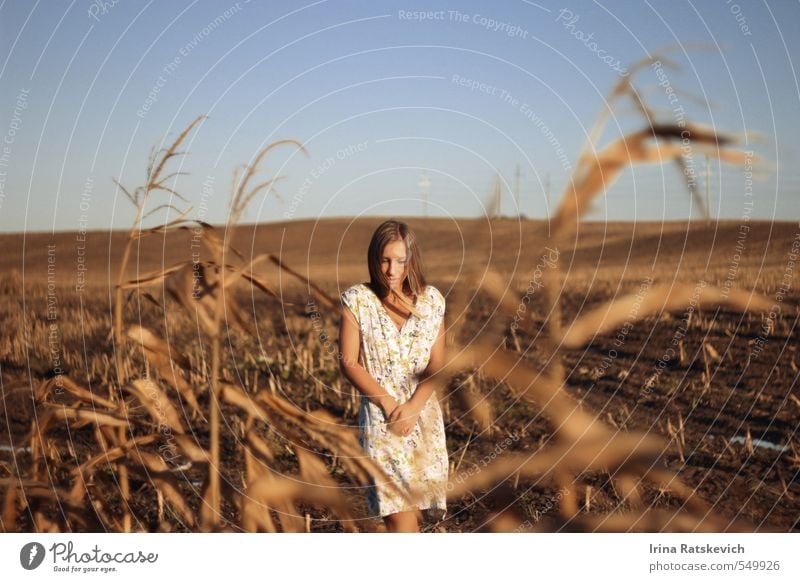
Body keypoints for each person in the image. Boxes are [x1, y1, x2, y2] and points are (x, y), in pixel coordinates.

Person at [339, 219, 448, 533]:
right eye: (385, 259)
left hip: (424, 420)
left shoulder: (432, 302)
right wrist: (389, 405)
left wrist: (413, 408)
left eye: (400, 261)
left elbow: (437, 365)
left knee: (412, 521)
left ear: (411, 260)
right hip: (382, 421)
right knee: (399, 519)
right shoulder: (358, 300)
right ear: (375, 258)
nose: (391, 269)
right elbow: (349, 362)